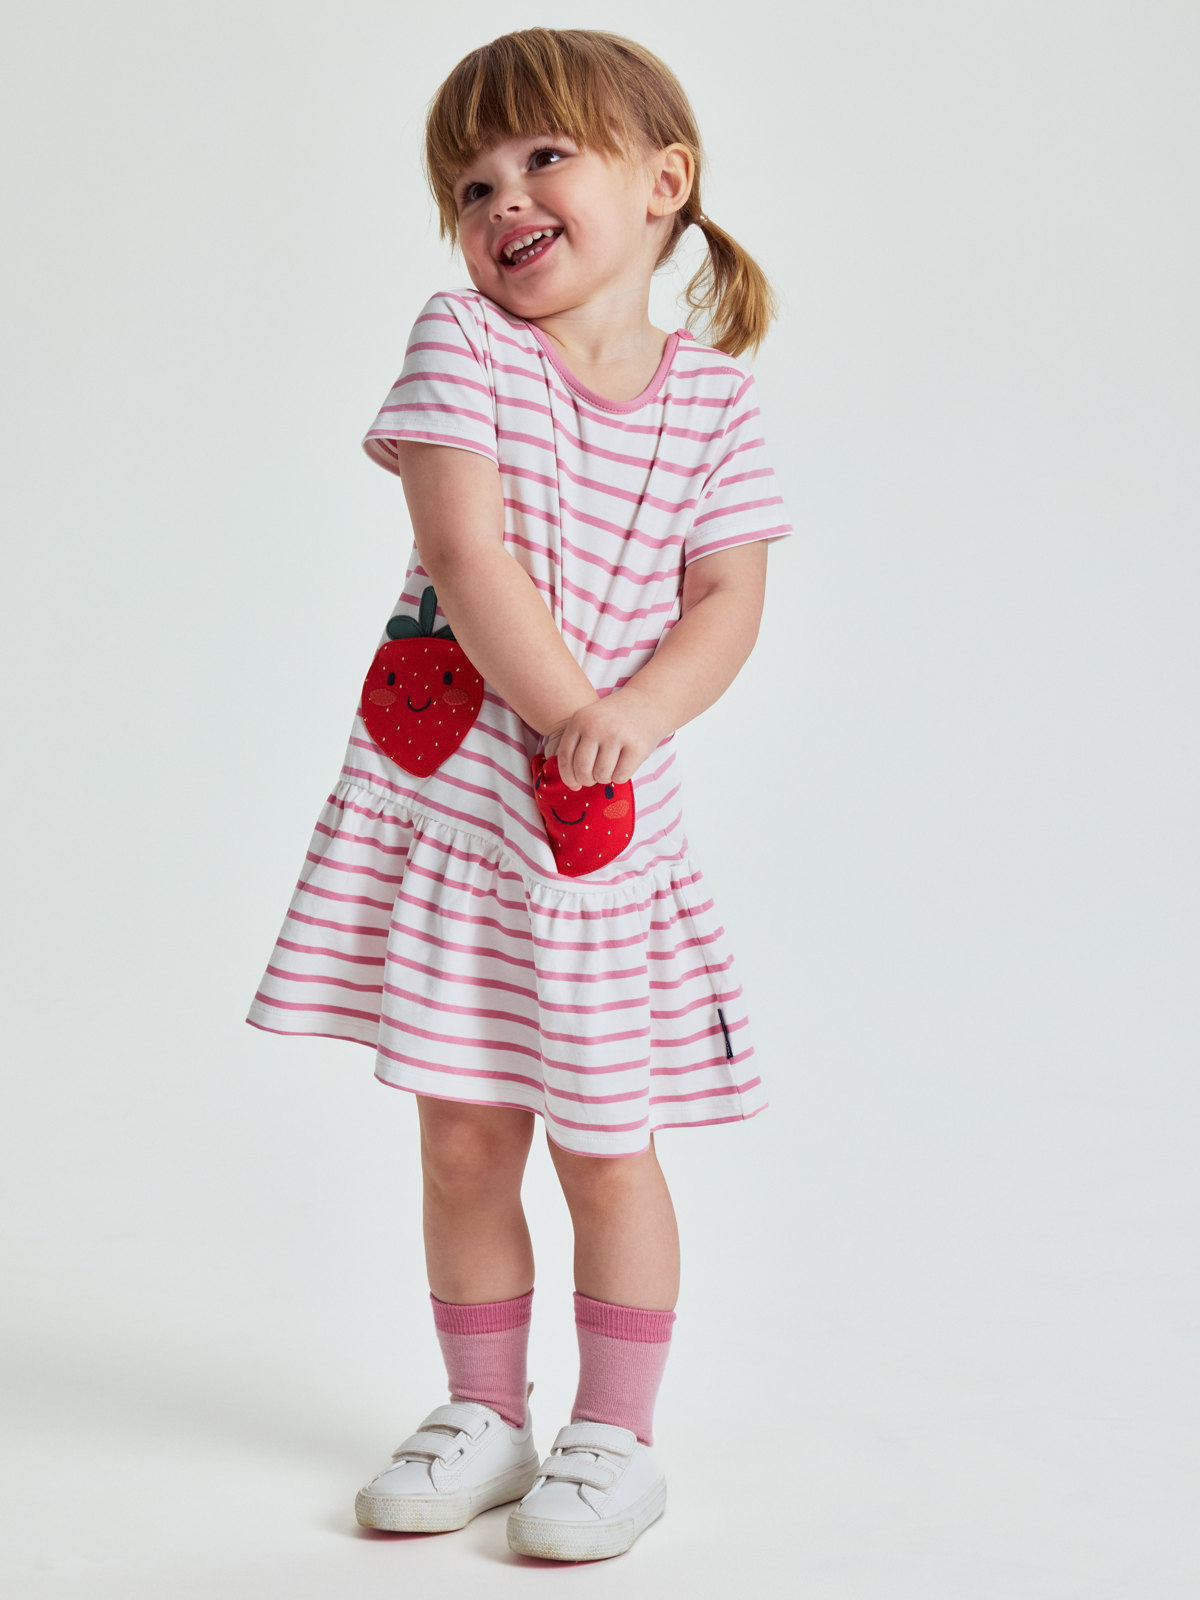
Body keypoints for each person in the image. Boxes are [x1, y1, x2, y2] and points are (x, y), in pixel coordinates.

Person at [245, 27, 795, 1562]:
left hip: (601, 835)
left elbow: (729, 598)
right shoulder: (463, 345)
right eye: (473, 185)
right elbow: (466, 550)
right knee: (465, 1136)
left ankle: (615, 1434)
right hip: (466, 810)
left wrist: (635, 719)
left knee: (607, 1141)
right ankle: (485, 1410)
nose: (504, 200)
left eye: (544, 158)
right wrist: (567, 714)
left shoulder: (715, 405)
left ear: (663, 184)